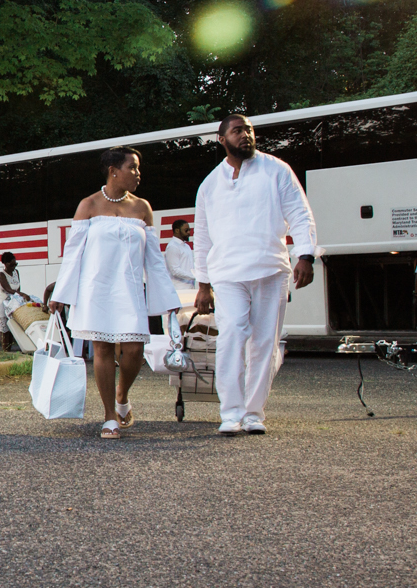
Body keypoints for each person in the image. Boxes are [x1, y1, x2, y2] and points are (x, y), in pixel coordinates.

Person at [194, 113, 318, 437]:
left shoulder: (276, 170)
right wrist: (203, 284)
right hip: (227, 273)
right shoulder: (209, 185)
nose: (245, 135)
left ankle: (253, 414)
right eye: (237, 131)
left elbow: (300, 215)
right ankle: (231, 413)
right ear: (222, 139)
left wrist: (306, 255)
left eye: (248, 130)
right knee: (233, 334)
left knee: (265, 343)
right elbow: (203, 238)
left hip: (271, 268)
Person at [46, 147, 183, 439]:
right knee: (103, 350)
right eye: (132, 167)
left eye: (137, 167)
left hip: (129, 290)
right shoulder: (89, 205)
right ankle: (110, 416)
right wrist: (60, 293)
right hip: (95, 290)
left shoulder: (142, 208)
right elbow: (74, 253)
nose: (138, 174)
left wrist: (169, 299)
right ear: (113, 171)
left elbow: (155, 259)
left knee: (134, 350)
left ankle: (122, 395)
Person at [0, 253, 26, 344]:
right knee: (4, 329)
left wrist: (19, 297)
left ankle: (10, 347)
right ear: (6, 264)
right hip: (3, 303)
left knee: (13, 327)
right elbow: (7, 288)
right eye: (12, 264)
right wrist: (21, 294)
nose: (14, 267)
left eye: (15, 264)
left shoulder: (16, 272)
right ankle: (6, 349)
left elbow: (18, 287)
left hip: (13, 302)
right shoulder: (1, 274)